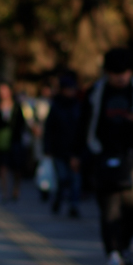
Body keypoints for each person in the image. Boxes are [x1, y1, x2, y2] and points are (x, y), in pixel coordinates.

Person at [83, 48, 133, 265]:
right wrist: (79, 155)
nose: (120, 77)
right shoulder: (96, 93)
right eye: (115, 73)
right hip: (103, 155)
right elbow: (83, 125)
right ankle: (113, 253)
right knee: (109, 208)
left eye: (124, 72)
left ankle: (124, 245)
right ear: (107, 72)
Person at [42, 71, 84, 216]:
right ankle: (59, 199)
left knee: (75, 179)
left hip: (76, 150)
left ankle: (74, 205)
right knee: (63, 178)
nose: (70, 92)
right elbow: (49, 129)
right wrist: (47, 148)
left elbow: (83, 129)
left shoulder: (79, 106)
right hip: (59, 150)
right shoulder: (56, 106)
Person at [0, 82, 27, 202]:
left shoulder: (17, 106)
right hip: (2, 141)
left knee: (17, 168)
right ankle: (4, 192)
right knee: (3, 166)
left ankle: (16, 190)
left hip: (15, 139)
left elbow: (23, 123)